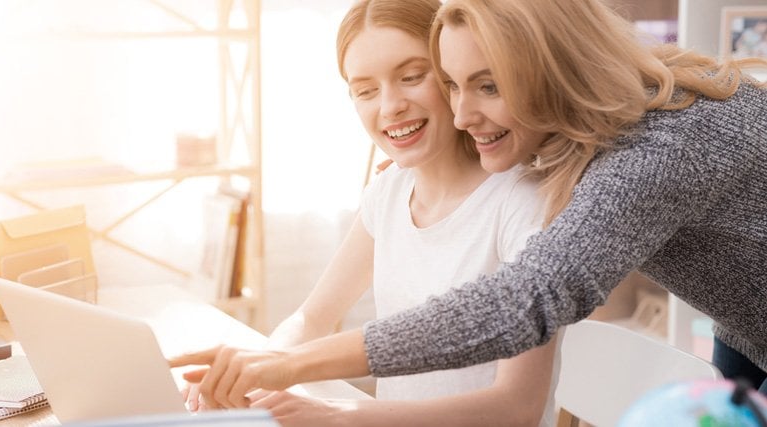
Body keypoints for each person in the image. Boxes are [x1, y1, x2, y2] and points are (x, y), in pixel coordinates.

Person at [169, 0, 767, 409]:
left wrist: (293, 368)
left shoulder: (659, 148)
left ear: (555, 68)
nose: (458, 114)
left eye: (487, 85)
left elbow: (524, 301)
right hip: (744, 326)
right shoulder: (601, 116)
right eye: (453, 84)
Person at [183, 0, 561, 425]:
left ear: (453, 75)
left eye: (413, 77)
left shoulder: (520, 204)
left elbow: (517, 408)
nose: (390, 105)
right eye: (365, 90)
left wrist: (339, 414)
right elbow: (311, 317)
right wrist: (245, 370)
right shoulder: (389, 192)